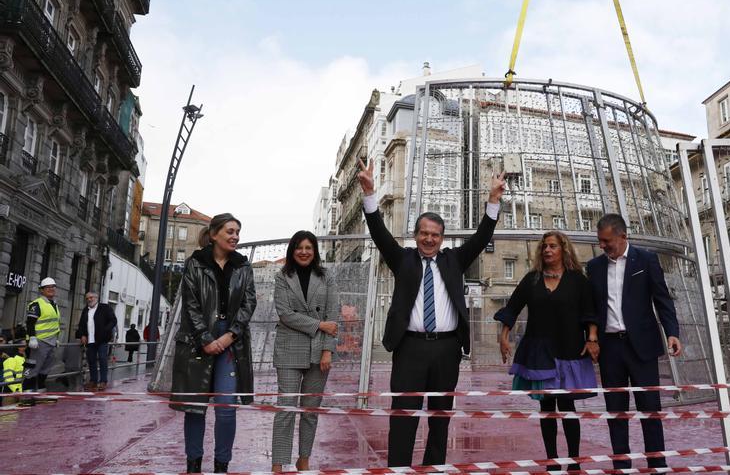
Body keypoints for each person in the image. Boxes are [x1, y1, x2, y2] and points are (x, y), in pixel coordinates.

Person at [357, 158, 506, 467]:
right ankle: (398, 468)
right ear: (415, 235)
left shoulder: (455, 260)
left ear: (442, 237)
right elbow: (379, 232)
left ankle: (433, 468)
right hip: (409, 347)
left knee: (440, 418)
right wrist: (369, 193)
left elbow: (480, 238)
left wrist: (493, 200)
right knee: (404, 417)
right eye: (424, 233)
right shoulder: (403, 260)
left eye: (435, 235)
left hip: (446, 348)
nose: (429, 239)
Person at [495, 231, 599, 471]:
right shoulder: (532, 279)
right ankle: (552, 461)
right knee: (546, 407)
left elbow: (589, 311)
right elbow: (512, 307)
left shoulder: (577, 280)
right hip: (540, 351)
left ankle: (574, 462)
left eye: (552, 246)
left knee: (568, 406)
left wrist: (592, 337)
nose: (547, 250)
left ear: (563, 249)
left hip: (570, 349)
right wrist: (504, 336)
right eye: (544, 247)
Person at [585, 213, 682, 470]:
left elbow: (662, 299)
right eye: (600, 241)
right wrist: (591, 338)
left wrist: (672, 332)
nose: (603, 246)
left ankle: (657, 465)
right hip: (610, 349)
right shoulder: (594, 267)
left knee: (650, 411)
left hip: (642, 348)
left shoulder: (647, 260)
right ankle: (622, 466)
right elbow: (591, 308)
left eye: (607, 241)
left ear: (623, 236)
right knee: (616, 413)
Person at [169, 213, 256, 474]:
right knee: (195, 408)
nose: (235, 236)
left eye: (238, 232)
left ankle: (221, 466)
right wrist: (206, 340)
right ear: (215, 233)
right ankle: (193, 465)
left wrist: (230, 335)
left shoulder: (243, 266)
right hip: (198, 341)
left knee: (226, 408)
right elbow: (191, 305)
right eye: (230, 231)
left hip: (232, 342)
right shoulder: (195, 263)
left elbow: (249, 303)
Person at [270, 230, 340, 472]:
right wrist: (319, 325)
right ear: (292, 250)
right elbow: (285, 314)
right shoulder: (282, 277)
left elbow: (333, 315)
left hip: (319, 351)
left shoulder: (327, 276)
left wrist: (328, 351)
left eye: (309, 248)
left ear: (315, 251)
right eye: (299, 247)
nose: (304, 252)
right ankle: (278, 463)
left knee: (310, 411)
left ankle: (304, 459)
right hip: (289, 351)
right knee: (286, 409)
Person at [21, 277, 62, 405]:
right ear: (42, 290)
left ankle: (40, 395)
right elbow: (30, 323)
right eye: (48, 287)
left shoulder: (54, 304)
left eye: (53, 287)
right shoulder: (36, 304)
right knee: (32, 370)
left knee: (44, 371)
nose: (51, 289)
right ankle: (27, 397)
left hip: (50, 343)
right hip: (38, 343)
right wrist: (32, 337)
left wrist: (56, 339)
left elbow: (54, 324)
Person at [75, 292, 117, 391]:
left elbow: (113, 321)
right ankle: (93, 381)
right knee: (91, 360)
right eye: (87, 298)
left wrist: (106, 331)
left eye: (91, 297)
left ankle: (103, 381)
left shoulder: (105, 307)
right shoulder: (85, 310)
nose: (89, 299)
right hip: (90, 340)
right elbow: (81, 325)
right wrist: (82, 335)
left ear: (96, 298)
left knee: (102, 359)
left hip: (102, 339)